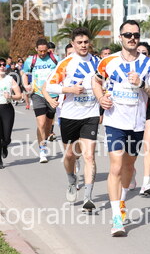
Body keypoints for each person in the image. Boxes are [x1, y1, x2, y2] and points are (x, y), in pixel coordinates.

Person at [92, 20, 150, 237]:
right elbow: (96, 81)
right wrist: (101, 98)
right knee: (115, 166)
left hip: (137, 123)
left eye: (136, 35)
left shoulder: (148, 64)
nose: (132, 38)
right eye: (128, 34)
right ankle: (116, 218)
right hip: (114, 121)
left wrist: (142, 84)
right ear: (120, 37)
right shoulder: (108, 61)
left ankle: (122, 201)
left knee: (128, 166)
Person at [45, 28, 101, 213]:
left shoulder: (97, 62)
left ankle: (88, 198)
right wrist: (70, 90)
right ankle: (71, 180)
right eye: (79, 42)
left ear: (89, 42)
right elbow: (50, 85)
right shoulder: (66, 63)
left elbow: (107, 82)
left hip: (91, 114)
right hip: (70, 115)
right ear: (73, 44)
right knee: (70, 155)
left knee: (89, 156)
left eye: (86, 42)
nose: (83, 45)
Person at [21, 38, 60, 163]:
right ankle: (42, 150)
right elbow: (24, 73)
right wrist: (26, 85)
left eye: (45, 51)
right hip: (37, 94)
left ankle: (45, 140)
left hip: (52, 95)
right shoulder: (30, 60)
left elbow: (62, 74)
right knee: (41, 123)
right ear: (36, 49)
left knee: (48, 124)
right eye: (40, 51)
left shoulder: (55, 59)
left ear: (48, 49)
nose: (42, 53)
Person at [135, 42, 150, 196]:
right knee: (130, 150)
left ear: (149, 56)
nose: (141, 55)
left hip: (149, 111)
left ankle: (146, 183)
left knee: (148, 147)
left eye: (145, 53)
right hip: (131, 112)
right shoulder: (128, 69)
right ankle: (131, 172)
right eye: (139, 52)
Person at [0, 63, 23, 169]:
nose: (2, 66)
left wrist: (11, 96)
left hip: (7, 109)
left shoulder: (10, 79)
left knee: (7, 137)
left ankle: (4, 145)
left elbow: (19, 95)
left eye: (3, 64)